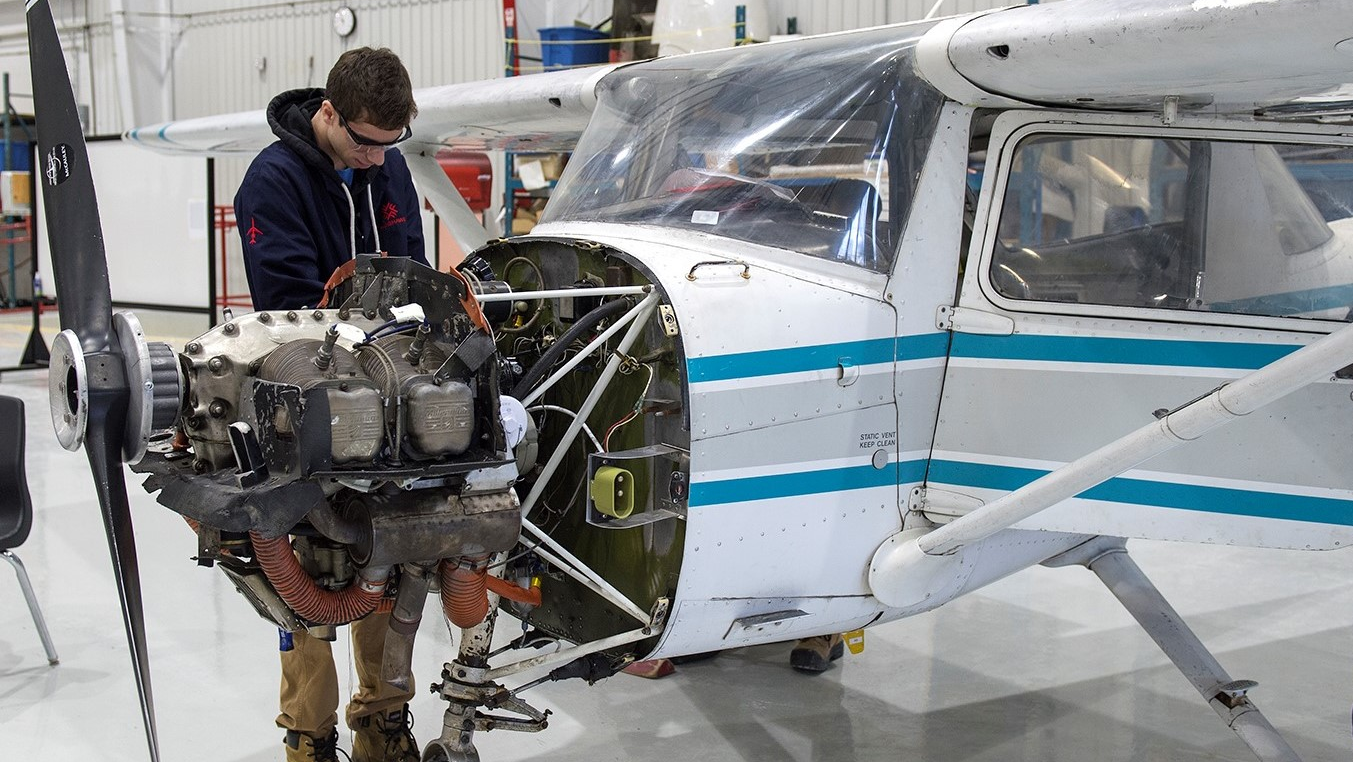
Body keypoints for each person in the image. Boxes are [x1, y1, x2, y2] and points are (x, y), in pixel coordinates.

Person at [234, 47, 427, 762]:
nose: (378, 160)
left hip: (391, 399)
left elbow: (407, 266)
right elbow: (284, 308)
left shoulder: (390, 165)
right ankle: (308, 738)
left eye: (390, 143)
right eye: (364, 143)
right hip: (303, 399)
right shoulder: (272, 180)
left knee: (391, 561)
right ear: (327, 113)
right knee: (308, 574)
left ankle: (383, 721)